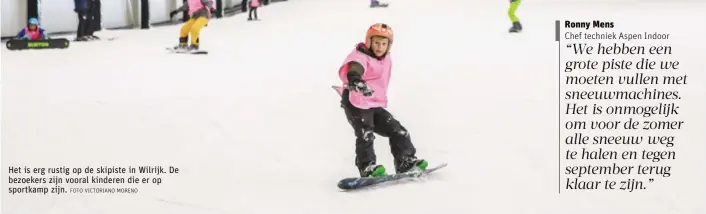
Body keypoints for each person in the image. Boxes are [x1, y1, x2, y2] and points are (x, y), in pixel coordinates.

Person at [334, 23, 428, 178]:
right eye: (376, 43)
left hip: (372, 103)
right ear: (369, 42)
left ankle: (405, 161)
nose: (379, 47)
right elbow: (355, 68)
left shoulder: (384, 58)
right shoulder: (361, 56)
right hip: (355, 102)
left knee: (398, 130)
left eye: (384, 44)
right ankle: (367, 168)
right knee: (365, 133)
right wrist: (356, 80)